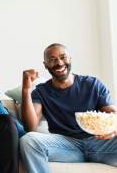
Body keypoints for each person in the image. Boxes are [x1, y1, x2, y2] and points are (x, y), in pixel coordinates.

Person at [20, 43, 117, 173]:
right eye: (52, 60)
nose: (59, 63)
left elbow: (112, 113)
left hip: (100, 143)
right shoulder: (41, 92)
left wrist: (113, 128)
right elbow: (30, 127)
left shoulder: (92, 84)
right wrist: (26, 90)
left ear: (70, 58)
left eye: (63, 57)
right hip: (66, 146)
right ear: (45, 65)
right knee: (28, 140)